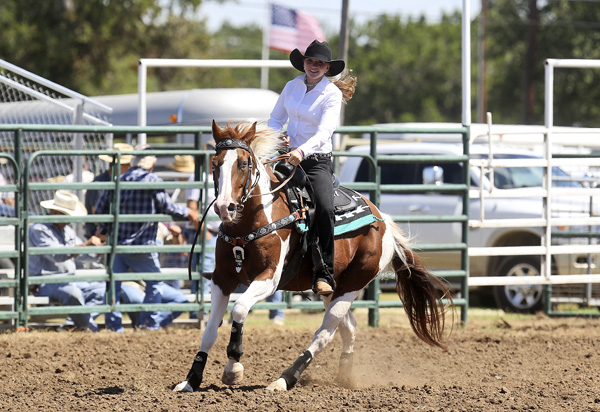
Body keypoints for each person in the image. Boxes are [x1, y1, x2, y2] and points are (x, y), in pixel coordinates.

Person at [267, 39, 357, 296]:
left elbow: (325, 131)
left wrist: (300, 150)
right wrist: (275, 137)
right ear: (303, 63)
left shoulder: (331, 94)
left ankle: (324, 272)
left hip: (316, 160)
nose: (314, 66)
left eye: (319, 63)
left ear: (327, 68)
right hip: (287, 155)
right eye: (310, 61)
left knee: (325, 207)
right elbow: (275, 118)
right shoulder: (291, 86)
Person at [95, 146, 200, 331]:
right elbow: (167, 208)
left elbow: (102, 208)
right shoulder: (152, 180)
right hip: (142, 244)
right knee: (155, 282)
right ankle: (149, 323)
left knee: (113, 285)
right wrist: (189, 213)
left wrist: (104, 229)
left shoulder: (119, 180)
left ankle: (114, 325)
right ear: (151, 165)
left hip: (118, 244)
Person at [28, 190, 142, 331]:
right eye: (67, 215)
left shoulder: (67, 231)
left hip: (69, 279)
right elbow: (57, 255)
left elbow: (81, 254)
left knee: (107, 291)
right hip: (46, 281)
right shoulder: (39, 229)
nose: (69, 219)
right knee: (73, 293)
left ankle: (74, 325)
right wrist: (86, 245)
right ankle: (88, 329)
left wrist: (98, 248)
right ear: (56, 212)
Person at [84, 143, 134, 238]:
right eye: (127, 165)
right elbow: (97, 219)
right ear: (120, 165)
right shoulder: (100, 183)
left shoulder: (120, 181)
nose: (129, 168)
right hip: (99, 234)